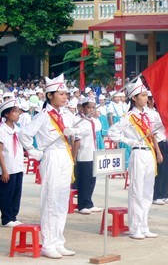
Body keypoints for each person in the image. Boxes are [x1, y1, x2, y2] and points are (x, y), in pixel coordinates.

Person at [19, 73, 80, 259]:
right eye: (60, 93)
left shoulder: (67, 114)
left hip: (65, 155)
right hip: (51, 156)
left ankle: (58, 240)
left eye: (65, 94)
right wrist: (35, 153)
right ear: (50, 95)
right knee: (51, 199)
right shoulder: (44, 115)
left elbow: (78, 131)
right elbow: (24, 135)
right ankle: (48, 243)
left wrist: (73, 131)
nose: (64, 97)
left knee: (62, 200)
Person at [108, 78, 163, 239]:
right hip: (137, 152)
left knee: (147, 191)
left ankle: (144, 226)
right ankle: (135, 227)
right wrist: (129, 141)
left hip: (149, 153)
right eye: (143, 95)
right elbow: (113, 132)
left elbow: (160, 127)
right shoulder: (129, 116)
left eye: (147, 95)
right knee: (137, 191)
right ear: (134, 98)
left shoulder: (151, 114)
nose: (146, 98)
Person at [73, 97, 103, 215]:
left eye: (93, 107)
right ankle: (82, 204)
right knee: (84, 180)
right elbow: (77, 140)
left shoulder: (93, 121)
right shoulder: (78, 121)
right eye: (88, 107)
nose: (91, 110)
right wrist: (74, 157)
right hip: (83, 155)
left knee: (92, 179)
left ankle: (89, 202)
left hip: (93, 153)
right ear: (82, 108)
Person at [148, 92, 168, 205]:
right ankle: (157, 195)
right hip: (157, 143)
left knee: (166, 168)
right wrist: (158, 152)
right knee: (159, 170)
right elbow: (153, 133)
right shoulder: (149, 114)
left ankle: (165, 194)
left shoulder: (156, 112)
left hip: (165, 142)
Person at [0, 100, 24, 227]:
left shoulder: (17, 129)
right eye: (15, 112)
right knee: (6, 193)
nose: (18, 114)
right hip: (7, 167)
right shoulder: (2, 129)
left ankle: (13, 216)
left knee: (16, 192)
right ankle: (6, 218)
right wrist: (4, 170)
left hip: (18, 166)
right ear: (7, 114)